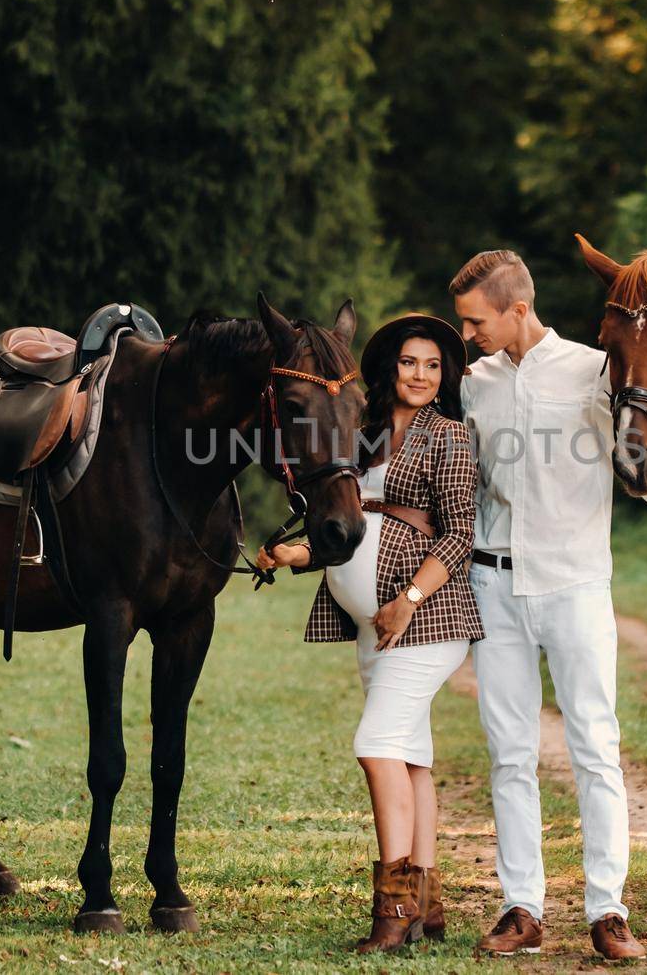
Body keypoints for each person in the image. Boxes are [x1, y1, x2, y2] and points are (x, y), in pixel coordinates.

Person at [450, 250, 647, 961]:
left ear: (516, 309)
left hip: (575, 584)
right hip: (494, 586)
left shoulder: (594, 371)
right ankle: (522, 907)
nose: (467, 333)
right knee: (511, 752)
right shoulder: (472, 385)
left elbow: (637, 474)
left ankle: (608, 908)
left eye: (476, 320)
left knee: (595, 745)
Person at [256, 314, 483, 954]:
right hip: (369, 626)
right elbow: (354, 520)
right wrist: (297, 557)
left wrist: (408, 600)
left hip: (426, 620)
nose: (420, 374)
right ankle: (427, 905)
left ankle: (391, 909)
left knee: (377, 744)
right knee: (411, 758)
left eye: (433, 365)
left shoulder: (450, 438)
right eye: (410, 362)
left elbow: (458, 534)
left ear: (446, 377)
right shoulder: (365, 429)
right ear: (391, 368)